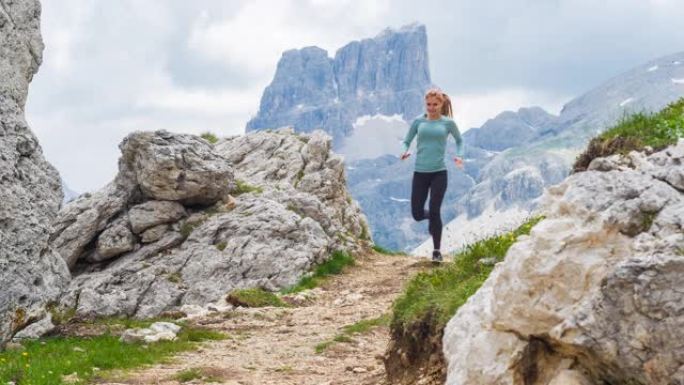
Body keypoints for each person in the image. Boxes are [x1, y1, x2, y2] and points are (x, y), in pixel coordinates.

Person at [400, 89, 464, 262]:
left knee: (435, 210)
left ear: (441, 104)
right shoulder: (418, 121)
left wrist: (459, 155)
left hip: (439, 173)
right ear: (425, 104)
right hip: (420, 173)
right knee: (417, 214)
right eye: (429, 104)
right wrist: (404, 151)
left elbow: (460, 141)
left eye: (435, 104)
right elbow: (407, 140)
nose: (432, 108)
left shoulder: (448, 123)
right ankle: (430, 217)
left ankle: (436, 251)